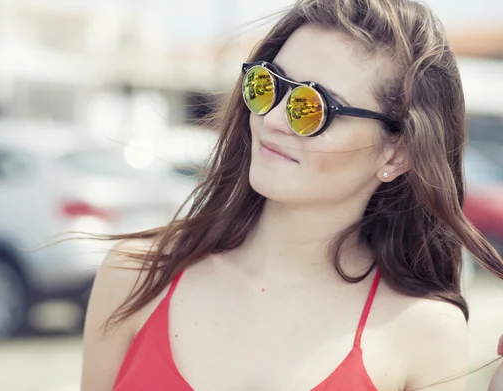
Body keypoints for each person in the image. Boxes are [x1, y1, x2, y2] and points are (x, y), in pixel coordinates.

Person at [81, 0, 503, 390]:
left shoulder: (424, 332)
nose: (274, 118)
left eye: (312, 107)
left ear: (398, 152)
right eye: (267, 85)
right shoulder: (137, 274)